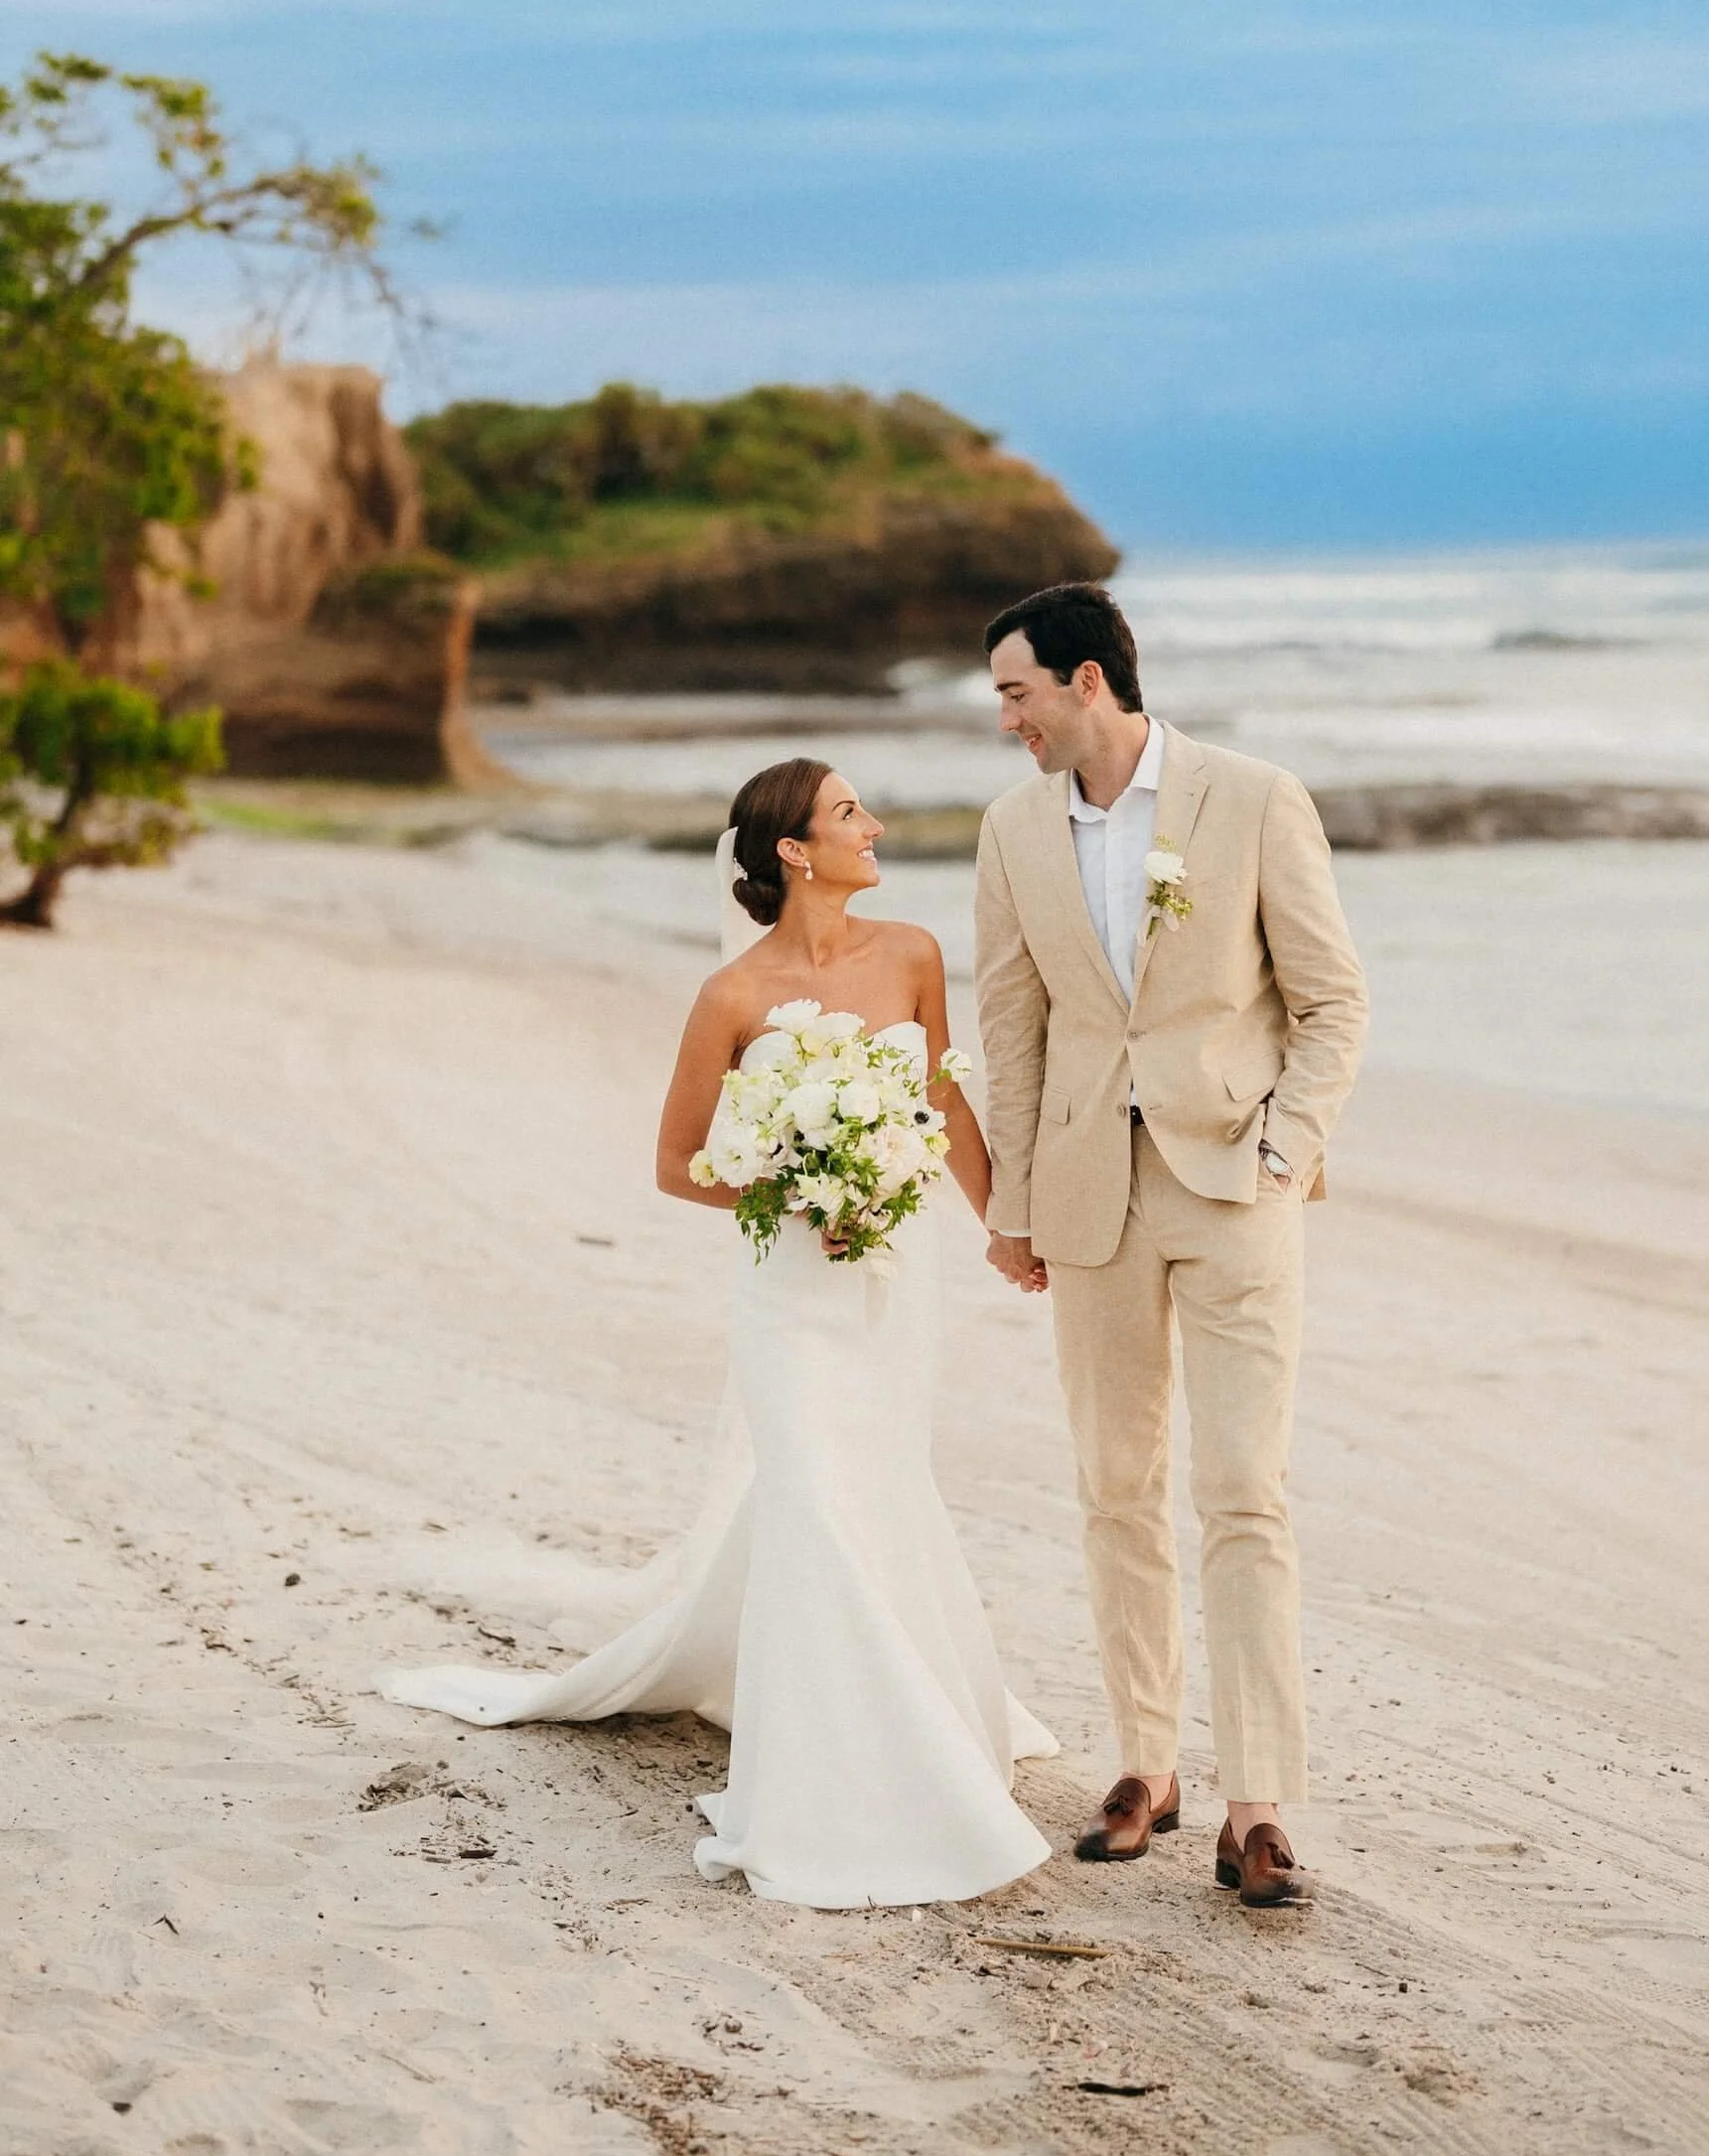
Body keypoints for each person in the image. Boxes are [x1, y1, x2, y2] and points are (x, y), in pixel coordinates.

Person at [378, 757, 1054, 1911]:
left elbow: (942, 1107)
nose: (874, 825)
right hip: (791, 1284)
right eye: (850, 813)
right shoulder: (731, 995)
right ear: (794, 848)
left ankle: (912, 1709)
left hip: (893, 1276)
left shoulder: (913, 955)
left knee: (879, 1481)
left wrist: (1003, 1225)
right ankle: (831, 1774)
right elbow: (676, 1162)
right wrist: (797, 1194)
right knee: (809, 1494)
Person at [974, 584, 1367, 1909]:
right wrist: (1011, 1206)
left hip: (1233, 1189)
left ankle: (1256, 1806)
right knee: (1113, 1487)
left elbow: (1331, 1001)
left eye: (1016, 695)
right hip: (1088, 1203)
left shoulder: (1252, 800)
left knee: (1245, 1491)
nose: (1007, 723)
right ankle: (1145, 1765)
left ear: (1088, 683)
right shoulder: (1012, 831)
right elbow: (1014, 1029)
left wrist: (1280, 1151)